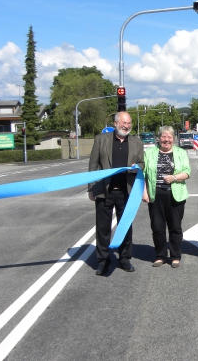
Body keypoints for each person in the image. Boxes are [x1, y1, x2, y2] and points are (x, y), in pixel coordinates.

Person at [88, 111, 144, 276]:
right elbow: (93, 166)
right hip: (104, 191)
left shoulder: (137, 143)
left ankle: (125, 259)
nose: (126, 126)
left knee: (125, 227)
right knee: (103, 229)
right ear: (115, 123)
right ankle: (103, 261)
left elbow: (142, 163)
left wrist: (137, 166)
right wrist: (91, 189)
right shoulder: (101, 140)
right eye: (123, 123)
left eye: (129, 123)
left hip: (126, 192)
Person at [142, 126, 191, 268]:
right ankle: (160, 256)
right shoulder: (149, 153)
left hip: (175, 195)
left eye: (169, 137)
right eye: (163, 137)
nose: (166, 140)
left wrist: (175, 177)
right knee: (157, 227)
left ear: (173, 139)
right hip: (155, 194)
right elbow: (144, 174)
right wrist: (144, 192)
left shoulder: (181, 152)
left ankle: (175, 256)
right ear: (159, 138)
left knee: (175, 227)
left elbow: (187, 172)